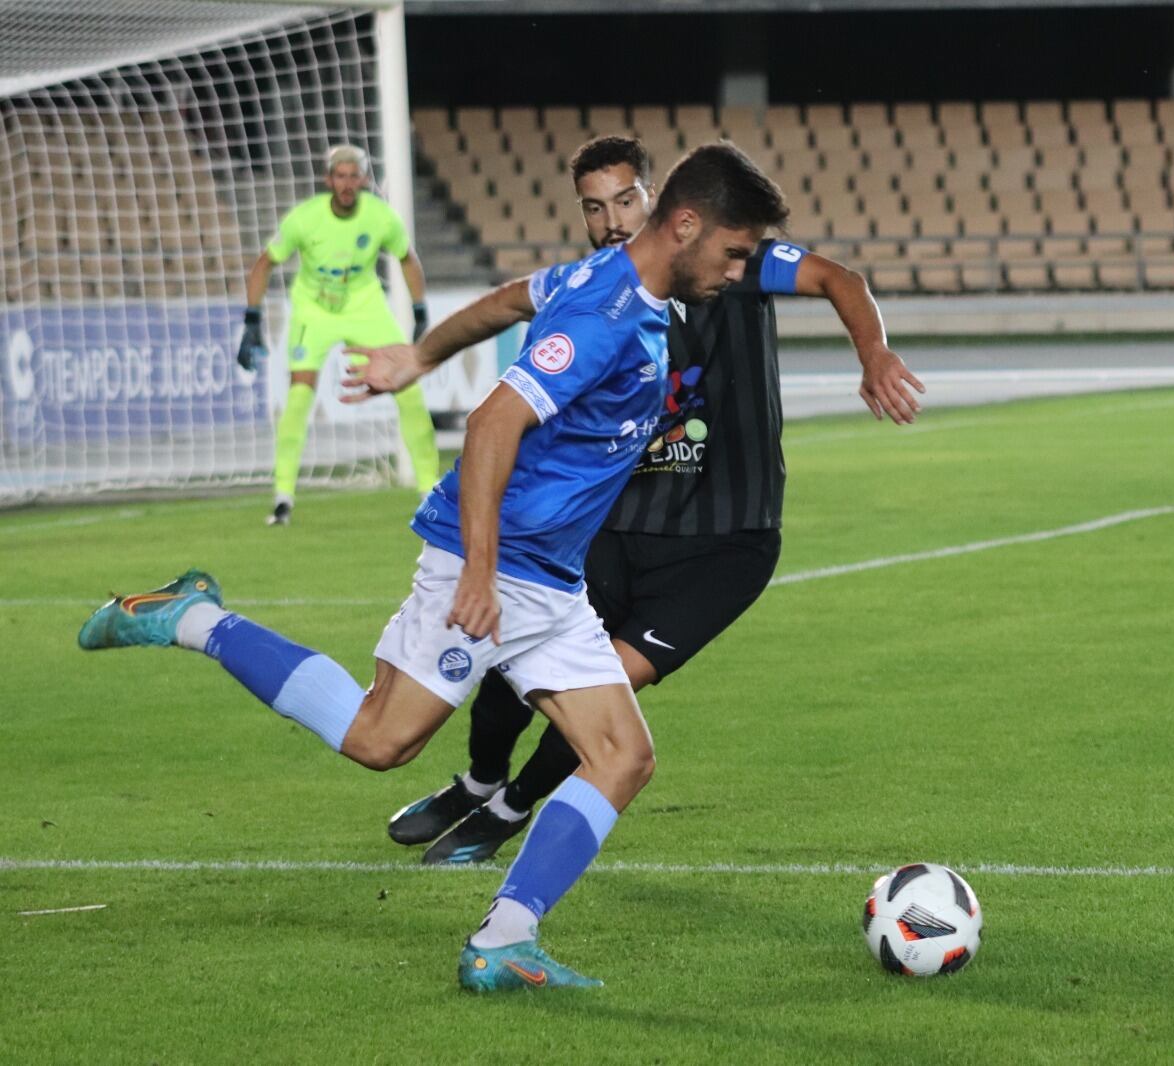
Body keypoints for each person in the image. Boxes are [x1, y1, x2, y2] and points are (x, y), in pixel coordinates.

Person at [78, 143, 791, 991]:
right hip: (490, 560)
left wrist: (419, 356)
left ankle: (501, 943)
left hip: (551, 580)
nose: (740, 270)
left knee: (622, 757)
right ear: (685, 225)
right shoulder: (605, 313)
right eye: (736, 251)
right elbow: (493, 424)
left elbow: (503, 301)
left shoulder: (601, 286)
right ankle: (188, 617)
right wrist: (480, 575)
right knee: (380, 740)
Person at [347, 135, 925, 866]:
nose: (613, 219)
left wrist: (872, 353)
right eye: (595, 207)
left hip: (725, 538)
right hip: (623, 522)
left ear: (664, 204)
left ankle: (510, 807)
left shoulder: (735, 263)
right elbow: (501, 304)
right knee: (505, 661)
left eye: (626, 199)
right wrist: (422, 356)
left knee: (605, 685)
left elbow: (841, 279)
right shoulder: (596, 288)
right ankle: (477, 781)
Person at [238, 144, 439, 526]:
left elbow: (407, 259)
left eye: (354, 176)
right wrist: (251, 320)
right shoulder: (304, 218)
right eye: (341, 176)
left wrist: (419, 312)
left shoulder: (381, 217)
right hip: (314, 308)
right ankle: (283, 498)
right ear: (328, 179)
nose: (347, 184)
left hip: (364, 304)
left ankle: (430, 492)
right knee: (299, 396)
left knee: (408, 389)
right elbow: (264, 264)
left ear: (364, 179)